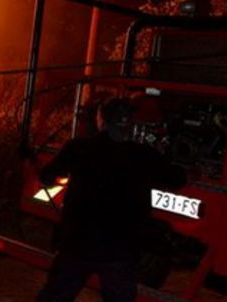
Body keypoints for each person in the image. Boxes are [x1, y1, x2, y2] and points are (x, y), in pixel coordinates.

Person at [35, 98, 186, 302]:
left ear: (101, 121)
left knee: (57, 294)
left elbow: (47, 176)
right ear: (129, 124)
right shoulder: (144, 155)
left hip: (79, 242)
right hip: (121, 247)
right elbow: (177, 179)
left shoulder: (79, 147)